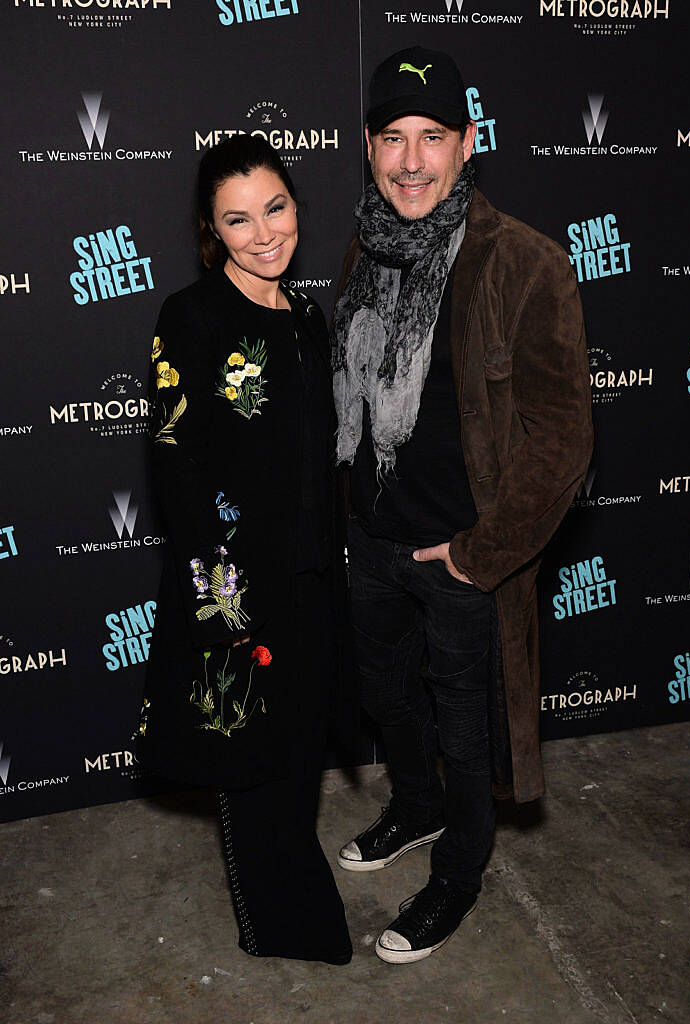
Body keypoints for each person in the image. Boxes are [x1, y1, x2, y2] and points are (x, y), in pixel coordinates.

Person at [331, 46, 593, 964]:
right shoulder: (367, 244)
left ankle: (461, 868)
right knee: (391, 701)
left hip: (460, 556)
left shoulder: (526, 263)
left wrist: (482, 556)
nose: (411, 160)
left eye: (431, 138)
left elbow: (563, 440)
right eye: (393, 139)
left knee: (463, 723)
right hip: (372, 539)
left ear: (466, 143)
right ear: (368, 149)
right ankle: (414, 805)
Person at [137, 136, 352, 965]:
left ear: (296, 205)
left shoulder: (306, 318)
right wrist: (226, 607)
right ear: (211, 231)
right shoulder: (189, 318)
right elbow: (177, 468)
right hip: (234, 585)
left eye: (276, 208)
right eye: (238, 219)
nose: (264, 234)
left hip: (310, 577)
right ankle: (280, 924)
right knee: (250, 760)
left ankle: (292, 894)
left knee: (298, 754)